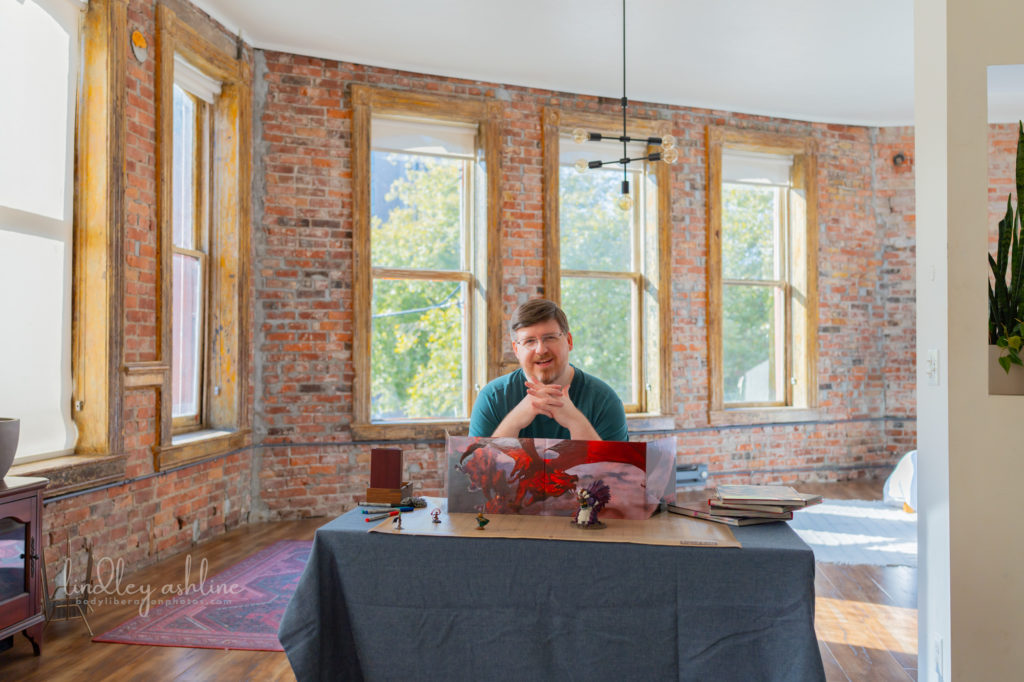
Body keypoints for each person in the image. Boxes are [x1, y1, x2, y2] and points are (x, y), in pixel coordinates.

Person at [468, 298, 628, 441]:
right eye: (529, 341)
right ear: (516, 350)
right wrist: (514, 421)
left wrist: (576, 422)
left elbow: (615, 472)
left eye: (550, 337)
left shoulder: (605, 401)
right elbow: (475, 471)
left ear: (569, 341)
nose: (541, 350)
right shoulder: (492, 398)